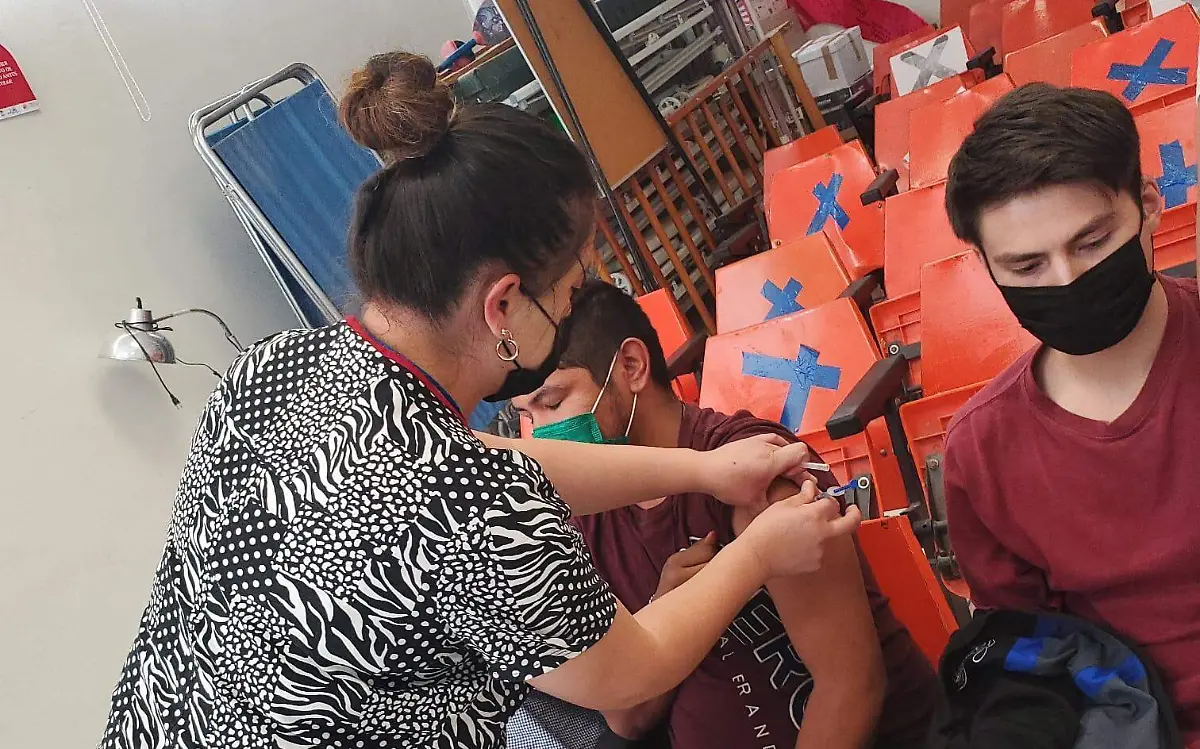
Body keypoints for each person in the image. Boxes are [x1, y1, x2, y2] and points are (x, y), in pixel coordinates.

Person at [97, 52, 863, 749]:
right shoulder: (468, 503)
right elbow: (631, 671)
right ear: (502, 305)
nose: (572, 310)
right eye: (567, 293)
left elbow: (487, 461)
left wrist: (701, 469)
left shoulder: (275, 363)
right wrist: (759, 552)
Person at [512, 281, 942, 749]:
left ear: (631, 366)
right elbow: (627, 718)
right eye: (527, 415)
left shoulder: (756, 474)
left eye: (552, 402)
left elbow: (852, 689)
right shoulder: (584, 517)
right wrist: (667, 609)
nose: (542, 435)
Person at [942, 82, 1200, 744]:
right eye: (1027, 265)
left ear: (1148, 206)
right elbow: (1034, 653)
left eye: (1092, 241)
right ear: (986, 267)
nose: (1065, 280)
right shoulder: (983, 451)